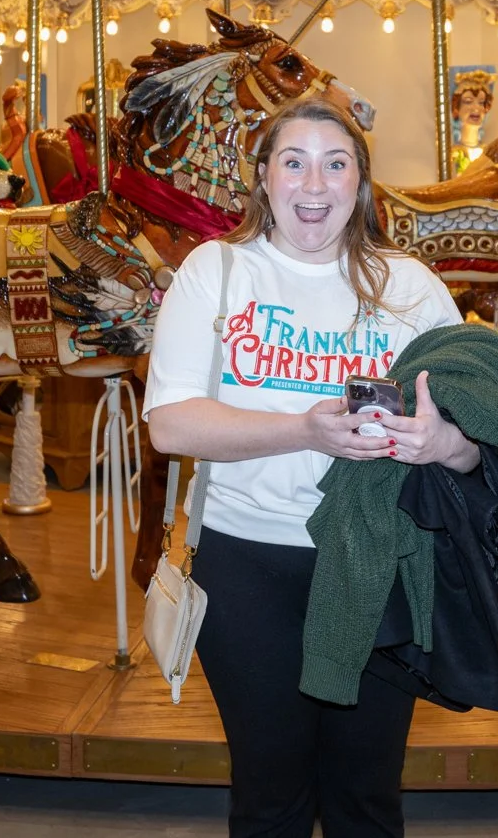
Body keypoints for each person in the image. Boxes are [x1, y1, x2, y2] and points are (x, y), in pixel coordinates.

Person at [145, 97, 468, 838]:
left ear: (361, 182)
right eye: (293, 162)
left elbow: (475, 432)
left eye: (335, 163)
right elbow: (169, 423)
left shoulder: (411, 287)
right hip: (244, 564)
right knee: (269, 793)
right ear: (264, 178)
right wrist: (304, 428)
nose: (313, 184)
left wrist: (442, 444)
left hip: (379, 562)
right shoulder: (217, 271)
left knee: (367, 795)